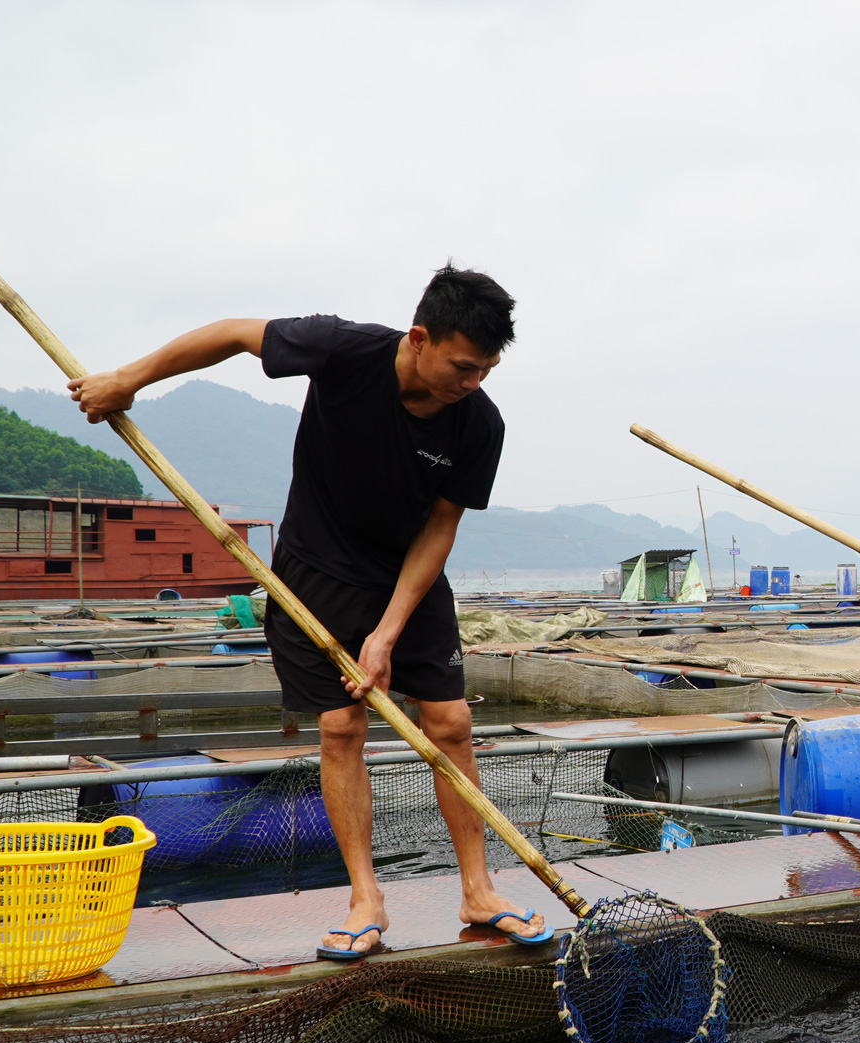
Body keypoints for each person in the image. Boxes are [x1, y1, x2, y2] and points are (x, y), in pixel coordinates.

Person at [68, 264, 548, 958]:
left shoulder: (478, 421)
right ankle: (365, 897)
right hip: (315, 573)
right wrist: (127, 380)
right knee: (340, 724)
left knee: (450, 720)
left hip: (407, 578)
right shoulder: (344, 350)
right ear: (419, 338)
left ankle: (478, 888)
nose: (473, 383)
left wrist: (386, 632)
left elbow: (441, 526)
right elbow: (234, 333)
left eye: (486, 370)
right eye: (465, 367)